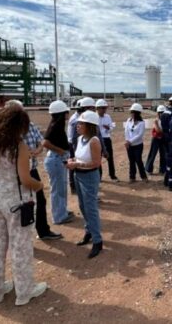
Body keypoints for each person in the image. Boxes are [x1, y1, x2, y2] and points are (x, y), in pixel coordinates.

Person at [0, 107, 48, 306]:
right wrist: (40, 185)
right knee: (20, 246)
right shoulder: (19, 147)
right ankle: (24, 291)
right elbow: (26, 179)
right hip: (18, 201)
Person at [4, 100, 62, 241]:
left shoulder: (30, 126)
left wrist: (37, 150)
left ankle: (43, 231)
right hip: (14, 173)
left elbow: (41, 141)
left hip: (32, 170)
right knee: (17, 205)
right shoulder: (5, 131)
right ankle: (17, 237)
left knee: (40, 200)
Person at [67, 110, 105, 258]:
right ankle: (89, 232)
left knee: (91, 208)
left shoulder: (94, 141)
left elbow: (96, 163)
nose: (77, 126)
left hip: (89, 177)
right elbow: (78, 157)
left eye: (81, 123)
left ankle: (97, 241)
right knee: (83, 206)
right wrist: (73, 161)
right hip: (79, 176)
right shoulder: (81, 138)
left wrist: (76, 165)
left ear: (89, 125)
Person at [42, 100, 74, 225]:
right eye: (66, 112)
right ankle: (59, 216)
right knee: (57, 189)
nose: (68, 114)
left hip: (58, 159)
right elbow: (45, 143)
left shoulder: (57, 125)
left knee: (62, 188)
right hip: (56, 159)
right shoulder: (55, 126)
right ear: (62, 113)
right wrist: (60, 151)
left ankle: (62, 211)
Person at [67, 97, 95, 195]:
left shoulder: (80, 117)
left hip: (76, 143)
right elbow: (75, 137)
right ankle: (74, 186)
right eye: (91, 108)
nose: (93, 110)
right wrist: (78, 148)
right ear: (86, 108)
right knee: (75, 163)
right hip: (74, 144)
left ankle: (76, 185)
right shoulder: (77, 120)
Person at [96, 99, 119, 182]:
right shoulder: (94, 117)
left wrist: (108, 128)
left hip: (106, 139)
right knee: (98, 159)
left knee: (110, 157)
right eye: (102, 108)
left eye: (105, 108)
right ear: (97, 108)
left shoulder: (107, 117)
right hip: (97, 140)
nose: (104, 110)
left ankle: (112, 175)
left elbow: (112, 126)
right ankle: (99, 176)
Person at [124, 103, 148, 183]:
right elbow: (126, 131)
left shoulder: (142, 123)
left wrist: (130, 141)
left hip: (138, 145)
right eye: (131, 112)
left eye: (133, 112)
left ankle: (143, 177)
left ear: (137, 113)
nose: (131, 113)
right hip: (129, 145)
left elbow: (139, 135)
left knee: (138, 160)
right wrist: (127, 141)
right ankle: (132, 177)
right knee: (131, 161)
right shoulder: (128, 120)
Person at [145, 105, 168, 175]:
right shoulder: (156, 121)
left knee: (163, 155)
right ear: (158, 113)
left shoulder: (166, 120)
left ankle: (163, 169)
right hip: (156, 139)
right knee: (152, 154)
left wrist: (162, 130)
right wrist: (163, 130)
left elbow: (163, 130)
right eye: (160, 112)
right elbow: (158, 130)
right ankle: (149, 169)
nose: (161, 114)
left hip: (163, 139)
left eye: (163, 112)